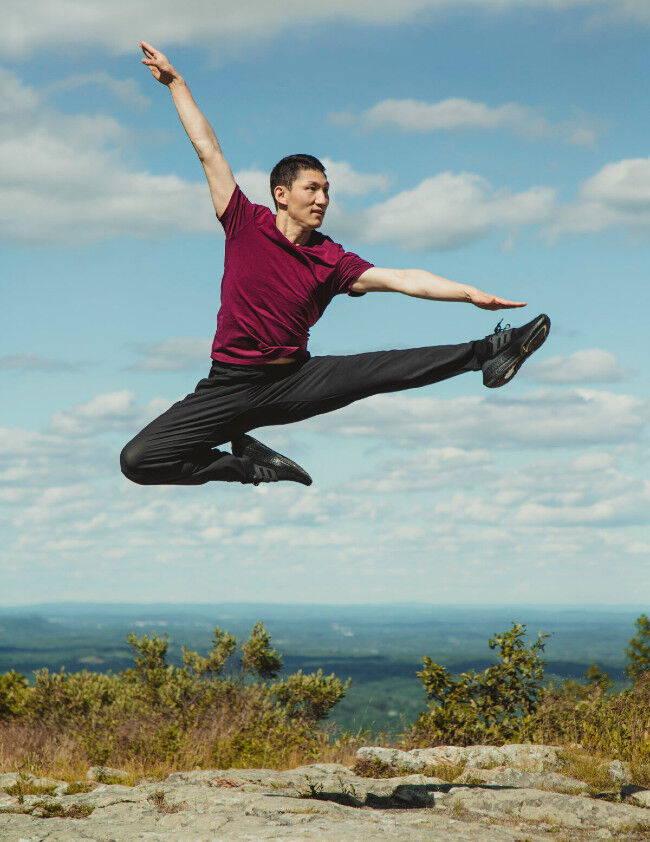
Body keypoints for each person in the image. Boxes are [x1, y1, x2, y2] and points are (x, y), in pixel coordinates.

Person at [120, 41, 551, 489]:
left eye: (327, 191)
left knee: (384, 370)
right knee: (137, 460)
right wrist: (176, 84)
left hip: (293, 379)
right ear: (282, 194)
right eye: (312, 189)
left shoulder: (331, 259)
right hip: (227, 386)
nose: (323, 199)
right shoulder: (244, 222)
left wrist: (468, 293)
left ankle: (492, 351)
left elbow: (402, 279)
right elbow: (208, 149)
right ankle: (251, 466)